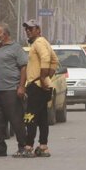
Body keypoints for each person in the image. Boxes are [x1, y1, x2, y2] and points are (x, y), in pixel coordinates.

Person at [0, 23, 29, 157]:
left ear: (5, 35)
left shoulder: (16, 48)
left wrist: (22, 86)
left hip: (11, 90)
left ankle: (22, 146)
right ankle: (0, 147)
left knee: (16, 120)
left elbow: (23, 67)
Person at [21, 19, 58, 158]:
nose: (28, 31)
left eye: (31, 28)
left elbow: (47, 58)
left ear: (38, 29)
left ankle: (29, 146)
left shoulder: (39, 42)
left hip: (36, 86)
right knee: (42, 117)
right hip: (41, 86)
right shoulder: (44, 42)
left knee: (30, 116)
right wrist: (48, 76)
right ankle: (43, 146)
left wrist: (43, 78)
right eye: (27, 29)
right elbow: (55, 61)